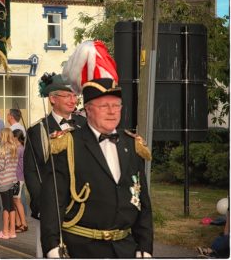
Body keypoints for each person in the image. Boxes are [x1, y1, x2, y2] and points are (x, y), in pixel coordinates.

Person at [40, 41, 153, 258]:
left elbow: (142, 201)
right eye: (104, 106)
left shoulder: (132, 144)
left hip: (125, 248)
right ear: (88, 110)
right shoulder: (68, 144)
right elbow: (53, 201)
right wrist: (53, 246)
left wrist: (145, 246)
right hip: (82, 247)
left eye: (116, 105)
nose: (112, 112)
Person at [23, 73, 86, 257]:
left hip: (81, 207)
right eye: (67, 95)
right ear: (52, 98)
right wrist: (43, 204)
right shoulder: (38, 130)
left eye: (75, 95)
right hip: (51, 209)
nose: (73, 100)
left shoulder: (85, 125)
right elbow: (31, 172)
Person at [12, 129, 28, 233]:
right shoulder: (20, 148)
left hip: (17, 178)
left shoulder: (19, 149)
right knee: (15, 200)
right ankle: (18, 223)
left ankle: (24, 223)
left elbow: (13, 162)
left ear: (16, 138)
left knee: (17, 201)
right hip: (18, 177)